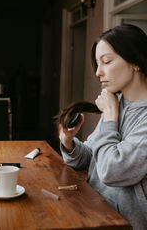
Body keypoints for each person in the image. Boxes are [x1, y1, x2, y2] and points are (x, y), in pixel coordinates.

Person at [58, 24, 147, 229]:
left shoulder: (117, 111)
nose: (98, 72)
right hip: (94, 212)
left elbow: (111, 170)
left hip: (123, 224)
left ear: (136, 61)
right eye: (97, 64)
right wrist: (69, 142)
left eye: (106, 61)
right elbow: (91, 156)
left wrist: (109, 116)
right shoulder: (118, 103)